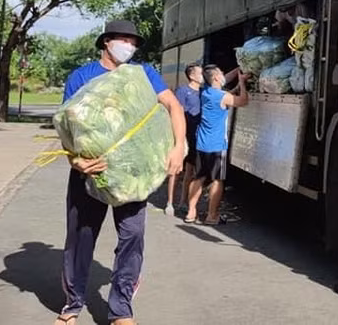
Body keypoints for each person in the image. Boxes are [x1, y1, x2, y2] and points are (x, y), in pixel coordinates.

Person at [54, 20, 186, 325]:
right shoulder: (82, 76)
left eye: (133, 42)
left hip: (132, 175)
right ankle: (72, 305)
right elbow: (66, 125)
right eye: (123, 39)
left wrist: (179, 146)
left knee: (132, 236)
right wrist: (75, 160)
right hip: (90, 174)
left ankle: (121, 310)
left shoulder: (142, 75)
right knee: (80, 238)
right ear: (106, 42)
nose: (129, 46)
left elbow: (173, 106)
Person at [185, 64, 249, 225]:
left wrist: (238, 68)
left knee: (198, 177)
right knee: (217, 180)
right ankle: (212, 216)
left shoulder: (206, 91)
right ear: (215, 78)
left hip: (202, 143)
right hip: (216, 146)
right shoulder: (220, 96)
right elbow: (243, 101)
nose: (223, 75)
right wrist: (242, 82)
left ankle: (191, 212)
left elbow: (222, 79)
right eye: (220, 73)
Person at [165, 63, 203, 216]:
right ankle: (170, 202)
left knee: (189, 171)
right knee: (175, 170)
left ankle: (182, 202)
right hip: (182, 136)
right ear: (192, 76)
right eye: (200, 73)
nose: (202, 76)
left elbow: (222, 82)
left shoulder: (204, 92)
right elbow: (177, 111)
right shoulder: (183, 91)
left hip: (195, 136)